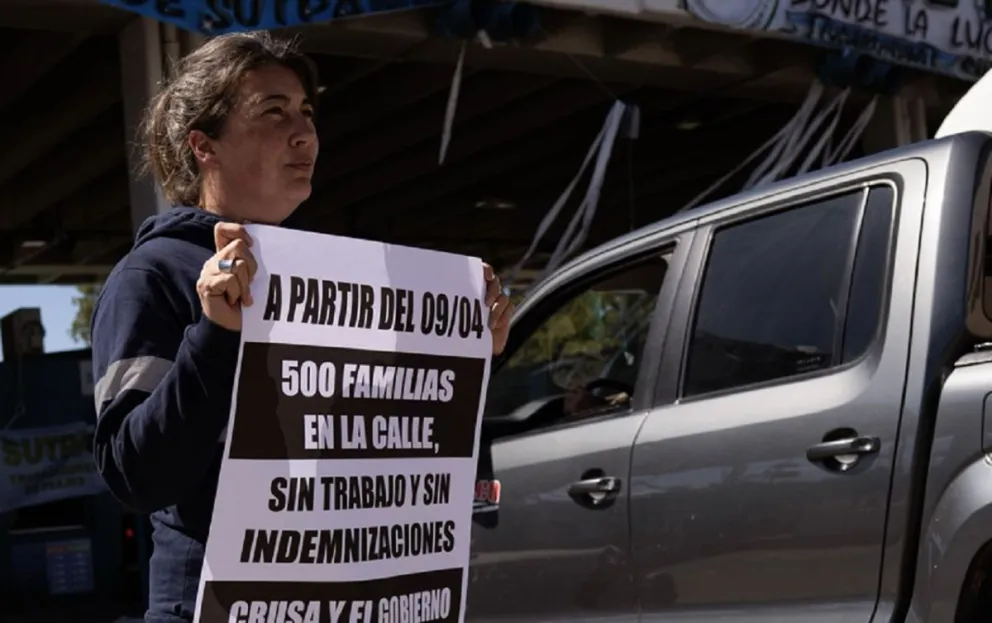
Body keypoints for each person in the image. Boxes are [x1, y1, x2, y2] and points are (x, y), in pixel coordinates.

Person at [90, 32, 514, 623]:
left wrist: (470, 357)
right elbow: (135, 473)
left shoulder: (331, 281)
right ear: (204, 146)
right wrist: (215, 334)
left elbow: (383, 442)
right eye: (273, 111)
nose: (304, 133)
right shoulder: (154, 275)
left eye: (307, 112)